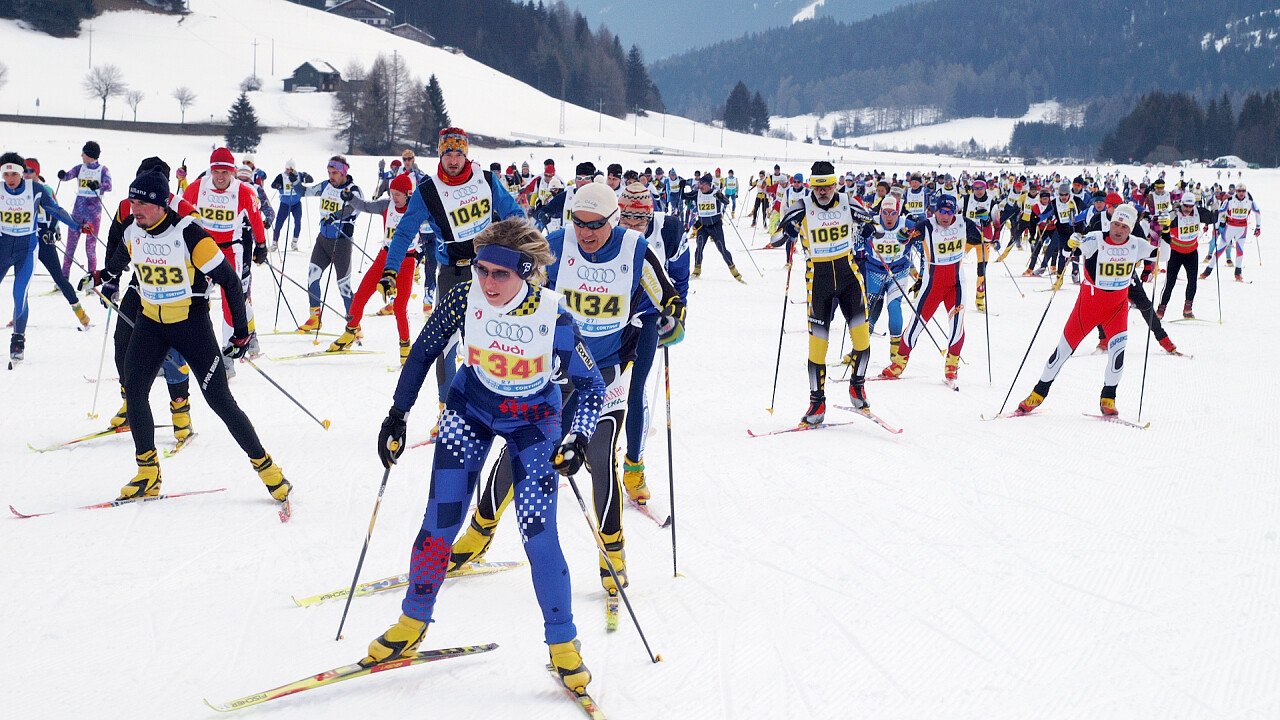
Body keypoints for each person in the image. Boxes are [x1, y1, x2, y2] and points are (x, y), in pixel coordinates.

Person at [363, 219, 605, 695]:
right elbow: (422, 353)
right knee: (440, 520)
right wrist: (398, 413)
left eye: (501, 274)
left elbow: (591, 385)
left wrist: (578, 436)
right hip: (471, 409)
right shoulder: (463, 298)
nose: (488, 283)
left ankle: (563, 643)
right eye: (482, 270)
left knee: (538, 533)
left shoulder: (553, 318)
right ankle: (413, 621)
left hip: (534, 423)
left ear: (527, 273)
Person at [447, 184, 686, 602]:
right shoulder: (557, 244)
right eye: (579, 222)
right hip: (558, 370)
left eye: (595, 225)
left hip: (607, 372)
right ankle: (479, 530)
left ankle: (612, 551)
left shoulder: (634, 249)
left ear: (613, 220)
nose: (586, 232)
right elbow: (519, 283)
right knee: (521, 448)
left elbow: (667, 295)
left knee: (599, 454)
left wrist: (671, 315)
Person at [99, 171, 291, 503]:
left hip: (191, 327)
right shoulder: (133, 231)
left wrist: (242, 334)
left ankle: (267, 469)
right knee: (135, 391)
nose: (135, 208)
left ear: (160, 204)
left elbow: (230, 282)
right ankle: (148, 474)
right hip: (150, 325)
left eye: (142, 202)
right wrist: (103, 278)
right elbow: (117, 263)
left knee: (221, 401)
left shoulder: (188, 235)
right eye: (132, 201)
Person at [381, 128, 525, 432]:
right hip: (452, 272)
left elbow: (514, 213)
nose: (453, 159)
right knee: (445, 344)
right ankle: (447, 410)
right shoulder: (428, 191)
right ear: (440, 154)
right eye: (447, 153)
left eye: (459, 153)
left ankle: (496, 402)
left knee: (493, 337)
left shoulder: (486, 180)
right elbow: (405, 231)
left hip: (490, 271)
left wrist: (527, 252)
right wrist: (391, 269)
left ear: (466, 154)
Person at [1016, 205, 1156, 417]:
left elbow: (1162, 255)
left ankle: (1108, 398)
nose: (1118, 230)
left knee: (1118, 354)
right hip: (1088, 307)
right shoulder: (1095, 239)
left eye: (1124, 226)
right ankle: (1038, 393)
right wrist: (1071, 242)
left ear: (1131, 228)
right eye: (1116, 224)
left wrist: (1163, 236)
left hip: (1117, 309)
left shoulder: (1137, 245)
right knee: (1062, 352)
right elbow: (1068, 252)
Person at [100, 157, 202, 441]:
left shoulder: (181, 207)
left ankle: (180, 410)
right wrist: (110, 282)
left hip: (179, 286)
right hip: (142, 280)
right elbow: (115, 243)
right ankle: (131, 402)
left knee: (173, 350)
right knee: (123, 340)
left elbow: (201, 244)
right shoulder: (125, 207)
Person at [774, 161, 875, 425]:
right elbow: (774, 238)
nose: (823, 192)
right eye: (817, 187)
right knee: (818, 348)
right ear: (811, 187)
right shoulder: (801, 207)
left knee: (862, 339)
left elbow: (871, 221)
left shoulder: (847, 202)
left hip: (849, 277)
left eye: (827, 186)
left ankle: (857, 384)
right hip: (818, 281)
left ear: (835, 184)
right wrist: (787, 231)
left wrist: (867, 228)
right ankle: (817, 403)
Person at [615, 182, 690, 503]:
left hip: (647, 318)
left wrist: (677, 318)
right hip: (612, 320)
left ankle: (634, 469)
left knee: (636, 390)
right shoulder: (607, 228)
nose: (632, 227)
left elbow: (680, 279)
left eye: (639, 221)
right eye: (626, 220)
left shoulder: (670, 230)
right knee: (590, 386)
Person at [181, 148, 268, 372]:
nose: (220, 177)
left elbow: (256, 219)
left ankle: (227, 355)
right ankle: (187, 349)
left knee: (233, 301)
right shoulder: (197, 188)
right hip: (202, 250)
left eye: (225, 172)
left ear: (232, 172)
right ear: (211, 170)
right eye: (217, 172)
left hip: (231, 251)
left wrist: (261, 244)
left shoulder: (244, 192)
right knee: (192, 298)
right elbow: (179, 214)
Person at [880, 195, 981, 384]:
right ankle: (899, 362)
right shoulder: (926, 226)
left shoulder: (963, 223)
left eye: (949, 212)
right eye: (941, 211)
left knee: (957, 324)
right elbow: (907, 237)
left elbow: (979, 238)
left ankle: (952, 364)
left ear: (955, 212)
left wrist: (983, 227)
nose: (945, 216)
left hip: (956, 284)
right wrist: (903, 236)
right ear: (935, 211)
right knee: (916, 325)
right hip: (932, 286)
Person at [325, 173, 420, 363]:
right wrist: (350, 198)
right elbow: (365, 206)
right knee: (360, 295)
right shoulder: (386, 205)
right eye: (392, 192)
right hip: (384, 257)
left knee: (400, 307)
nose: (394, 197)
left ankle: (405, 347)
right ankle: (350, 333)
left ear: (408, 194)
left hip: (407, 261)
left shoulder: (416, 209)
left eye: (398, 194)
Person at [0, 152, 83, 362]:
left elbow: (55, 210)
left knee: (19, 294)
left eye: (14, 174)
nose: (10, 179)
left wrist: (77, 226)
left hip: (26, 249)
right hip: (3, 247)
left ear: (21, 173)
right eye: (5, 174)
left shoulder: (35, 190)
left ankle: (18, 339)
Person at [295, 156, 364, 331]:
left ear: (343, 172)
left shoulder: (353, 190)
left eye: (334, 173)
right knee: (312, 277)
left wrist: (337, 215)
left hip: (341, 243)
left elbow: (354, 208)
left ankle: (354, 325)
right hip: (323, 241)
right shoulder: (326, 186)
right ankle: (314, 318)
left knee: (344, 287)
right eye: (329, 172)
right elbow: (304, 192)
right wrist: (294, 179)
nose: (331, 176)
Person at [23, 158, 91, 330]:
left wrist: (53, 230)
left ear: (37, 172)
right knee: (22, 281)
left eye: (30, 171)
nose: (26, 174)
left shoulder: (45, 189)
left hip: (44, 237)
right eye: (24, 170)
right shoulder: (19, 190)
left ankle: (81, 314)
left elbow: (56, 211)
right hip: (27, 238)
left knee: (59, 278)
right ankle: (18, 317)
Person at [860, 194, 919, 357]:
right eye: (885, 212)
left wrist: (918, 227)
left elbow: (923, 237)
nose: (889, 217)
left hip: (898, 272)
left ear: (898, 212)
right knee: (872, 308)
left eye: (893, 213)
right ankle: (860, 349)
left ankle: (896, 352)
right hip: (874, 272)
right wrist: (861, 234)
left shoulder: (906, 224)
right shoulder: (872, 221)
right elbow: (856, 239)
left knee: (894, 306)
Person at [56, 140, 112, 283]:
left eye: (84, 153)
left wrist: (98, 185)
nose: (81, 155)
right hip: (77, 213)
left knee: (90, 249)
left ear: (90, 155)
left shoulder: (103, 170)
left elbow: (109, 185)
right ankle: (64, 279)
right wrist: (62, 175)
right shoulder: (80, 168)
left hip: (93, 214)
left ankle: (91, 280)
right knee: (70, 247)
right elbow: (67, 176)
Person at [1159, 192, 1216, 319]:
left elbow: (1212, 218)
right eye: (1186, 206)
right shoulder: (1174, 215)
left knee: (1192, 281)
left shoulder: (1198, 212)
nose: (1188, 209)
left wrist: (1216, 210)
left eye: (1191, 206)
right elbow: (1163, 231)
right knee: (1170, 282)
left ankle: (1188, 308)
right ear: (1181, 204)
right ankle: (1161, 308)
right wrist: (1162, 224)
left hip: (1191, 253)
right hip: (1175, 253)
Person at [685, 173, 741, 281]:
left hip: (715, 226)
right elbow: (684, 196)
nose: (700, 186)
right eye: (700, 184)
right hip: (702, 226)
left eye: (703, 184)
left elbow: (726, 201)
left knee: (722, 249)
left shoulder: (715, 193)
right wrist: (682, 186)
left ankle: (734, 272)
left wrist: (720, 196)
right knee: (699, 247)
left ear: (709, 185)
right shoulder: (698, 193)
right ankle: (697, 270)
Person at [1203, 183, 1261, 282]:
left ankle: (1238, 273)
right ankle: (1207, 271)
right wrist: (1217, 227)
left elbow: (1258, 212)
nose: (1241, 193)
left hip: (1242, 229)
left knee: (1240, 250)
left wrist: (1258, 227)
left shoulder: (1249, 201)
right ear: (1236, 191)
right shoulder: (1229, 200)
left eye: (1243, 191)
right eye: (1239, 191)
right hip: (1230, 227)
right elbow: (1221, 213)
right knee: (1220, 250)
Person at [269, 160, 312, 251]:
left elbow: (311, 179)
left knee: (297, 222)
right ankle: (274, 244)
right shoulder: (281, 176)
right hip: (284, 204)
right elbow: (272, 185)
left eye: (291, 170)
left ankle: (294, 243)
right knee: (279, 223)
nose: (289, 171)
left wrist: (307, 177)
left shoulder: (299, 175)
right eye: (287, 169)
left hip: (296, 203)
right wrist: (278, 185)